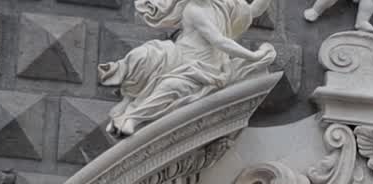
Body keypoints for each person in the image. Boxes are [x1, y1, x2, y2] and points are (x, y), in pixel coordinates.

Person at [98, 0, 277, 136]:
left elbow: (253, 11)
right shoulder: (193, 10)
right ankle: (128, 106)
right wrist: (252, 56)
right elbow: (219, 41)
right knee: (146, 56)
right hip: (182, 57)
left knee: (172, 86)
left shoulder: (224, 5)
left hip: (205, 66)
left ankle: (132, 117)